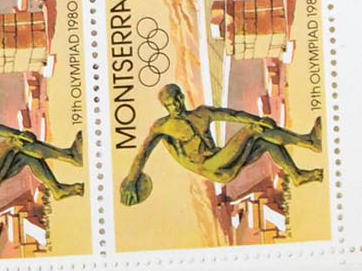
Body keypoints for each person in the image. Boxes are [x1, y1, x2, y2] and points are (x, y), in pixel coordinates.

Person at [118, 84, 324, 207]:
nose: (176, 106)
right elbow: (144, 152)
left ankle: (297, 175)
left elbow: (232, 114)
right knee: (253, 130)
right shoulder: (163, 126)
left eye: (177, 100)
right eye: (170, 104)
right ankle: (309, 142)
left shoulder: (202, 113)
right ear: (165, 106)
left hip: (224, 162)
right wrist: (131, 181)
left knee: (264, 142)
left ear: (181, 96)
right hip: (209, 166)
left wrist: (258, 119)